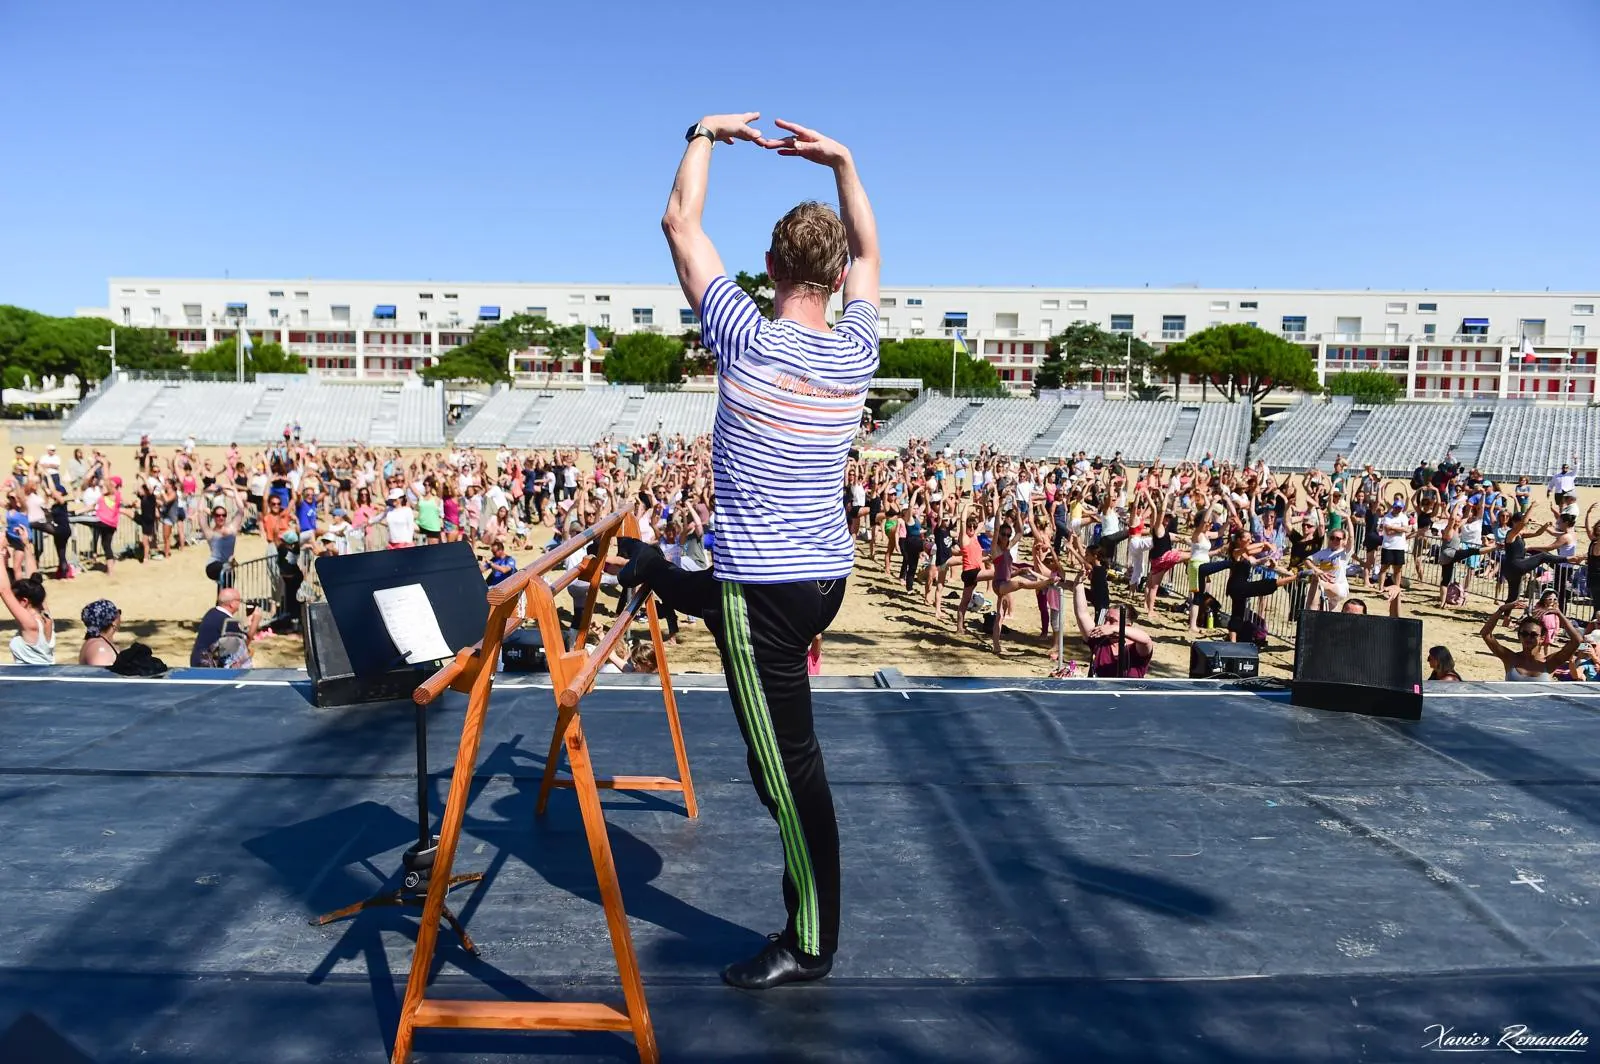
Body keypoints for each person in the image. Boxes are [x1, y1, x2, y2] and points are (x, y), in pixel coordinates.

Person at [617, 112, 880, 990]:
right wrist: (843, 159)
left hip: (765, 588)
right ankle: (661, 574)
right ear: (836, 279)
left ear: (770, 270)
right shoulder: (856, 349)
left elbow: (679, 224)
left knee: (786, 770)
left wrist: (702, 133)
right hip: (823, 578)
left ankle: (811, 943)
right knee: (719, 596)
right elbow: (874, 257)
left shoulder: (743, 334)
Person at [1067, 574, 1152, 677]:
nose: (1106, 624)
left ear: (1128, 626)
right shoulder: (1099, 639)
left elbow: (1146, 640)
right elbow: (1082, 613)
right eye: (1106, 619)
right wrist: (1078, 583)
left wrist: (1114, 629)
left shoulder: (1136, 648)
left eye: (1112, 621)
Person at [1480, 598, 1581, 681]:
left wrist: (1559, 614)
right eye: (1524, 634)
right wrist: (1501, 610)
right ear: (1519, 636)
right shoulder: (1510, 658)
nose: (1528, 638)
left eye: (1533, 635)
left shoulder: (1550, 662)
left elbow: (1577, 640)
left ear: (1542, 638)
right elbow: (1486, 634)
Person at [0, 554, 54, 664]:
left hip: (32, 679)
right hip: (45, 676)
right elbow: (34, 582)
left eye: (16, 600)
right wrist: (27, 546)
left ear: (24, 601)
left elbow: (4, 591)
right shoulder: (47, 617)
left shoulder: (30, 624)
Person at [190, 586, 262, 668]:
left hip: (198, 661)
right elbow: (243, 645)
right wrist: (255, 622)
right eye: (239, 601)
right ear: (231, 604)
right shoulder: (228, 622)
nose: (240, 604)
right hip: (209, 666)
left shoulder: (211, 613)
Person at [79, 598, 122, 666]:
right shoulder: (98, 648)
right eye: (119, 612)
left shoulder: (97, 643)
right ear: (113, 622)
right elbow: (102, 675)